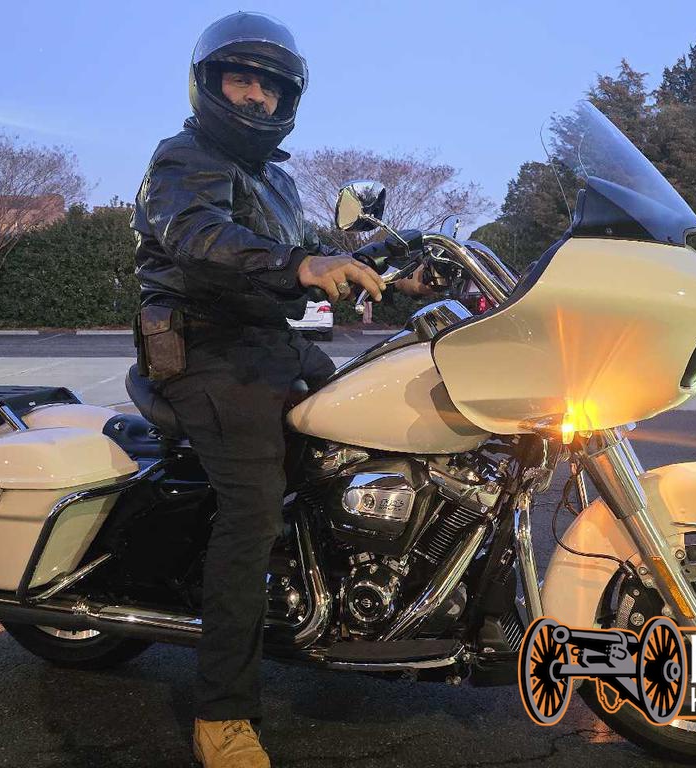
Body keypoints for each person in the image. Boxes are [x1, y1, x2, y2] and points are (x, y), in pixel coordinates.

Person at [130, 11, 431, 768]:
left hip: (268, 343)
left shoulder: (277, 178)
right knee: (253, 509)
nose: (256, 96)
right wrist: (298, 267)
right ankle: (223, 715)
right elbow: (198, 235)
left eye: (270, 86)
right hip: (203, 349)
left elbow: (311, 250)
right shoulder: (183, 158)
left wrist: (397, 274)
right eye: (242, 79)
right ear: (209, 83)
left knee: (375, 417)